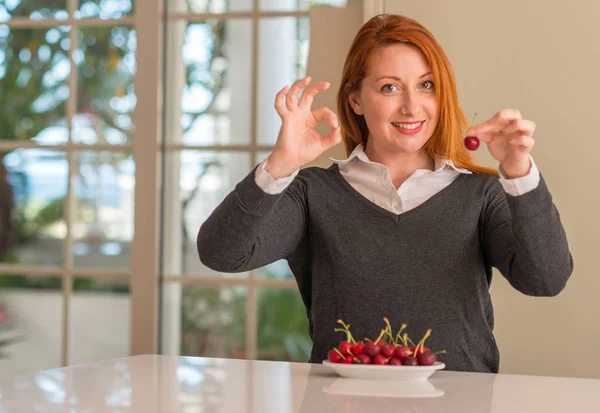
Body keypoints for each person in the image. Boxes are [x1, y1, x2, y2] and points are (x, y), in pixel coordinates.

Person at [197, 13, 573, 373]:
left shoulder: (482, 194)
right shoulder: (312, 193)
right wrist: (280, 163)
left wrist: (519, 173)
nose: (411, 106)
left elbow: (546, 278)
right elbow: (222, 253)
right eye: (389, 87)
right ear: (355, 99)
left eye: (427, 85)